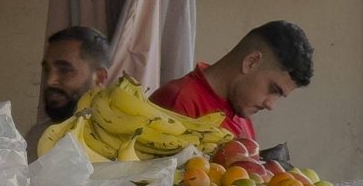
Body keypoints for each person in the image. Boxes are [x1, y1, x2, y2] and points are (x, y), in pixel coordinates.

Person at [150, 21, 313, 146]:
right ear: (251, 62)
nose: (271, 105)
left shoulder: (241, 109)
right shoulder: (179, 101)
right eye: (273, 89)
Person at [30, 26, 110, 156]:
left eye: (65, 70)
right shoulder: (37, 136)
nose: (50, 81)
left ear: (99, 77)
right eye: (47, 69)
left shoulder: (124, 142)